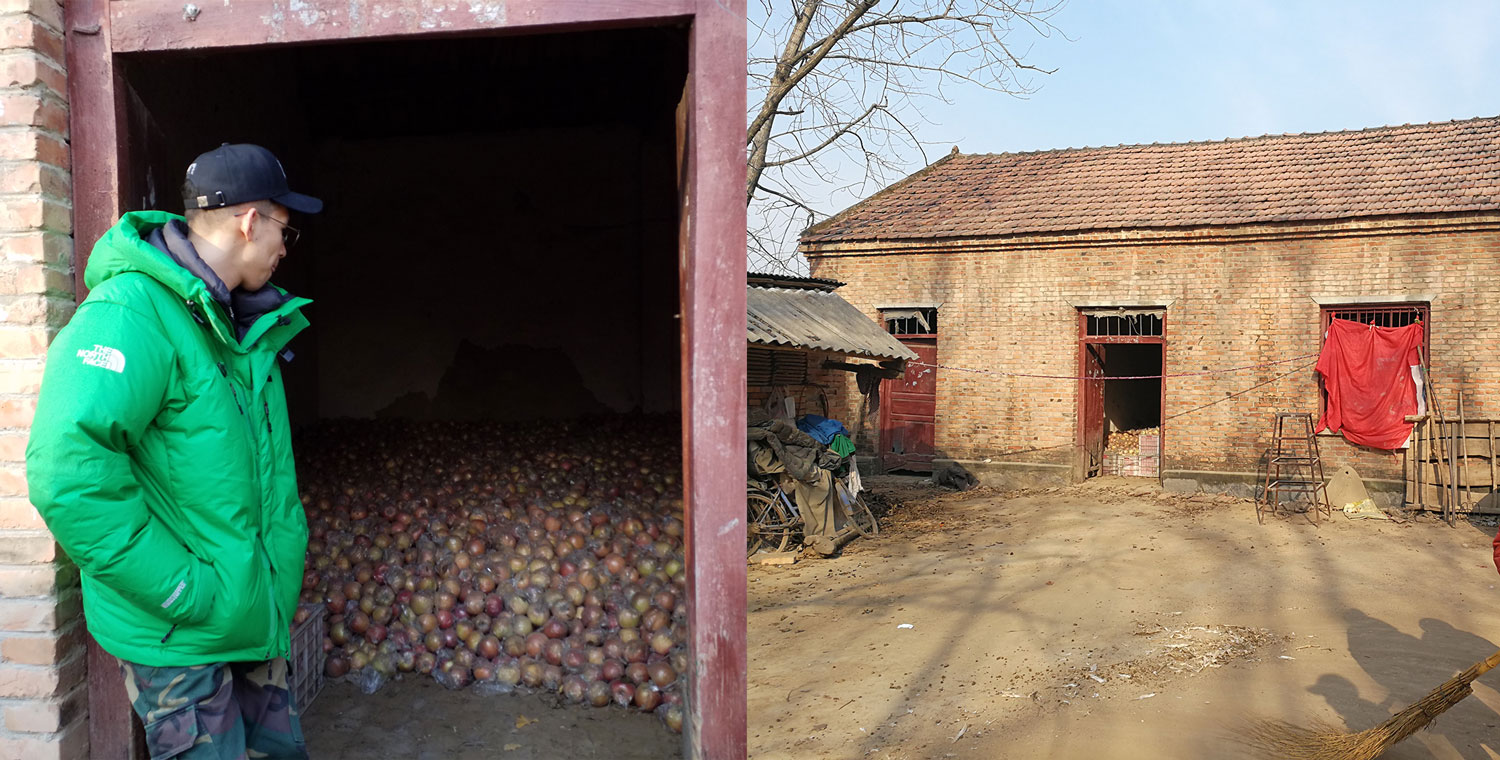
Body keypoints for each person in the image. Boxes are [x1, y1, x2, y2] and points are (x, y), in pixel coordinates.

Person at [25, 143, 321, 759]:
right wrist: (180, 591)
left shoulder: (241, 323)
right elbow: (68, 474)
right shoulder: (131, 314)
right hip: (182, 630)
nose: (285, 248)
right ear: (249, 220)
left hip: (248, 613)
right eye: (284, 229)